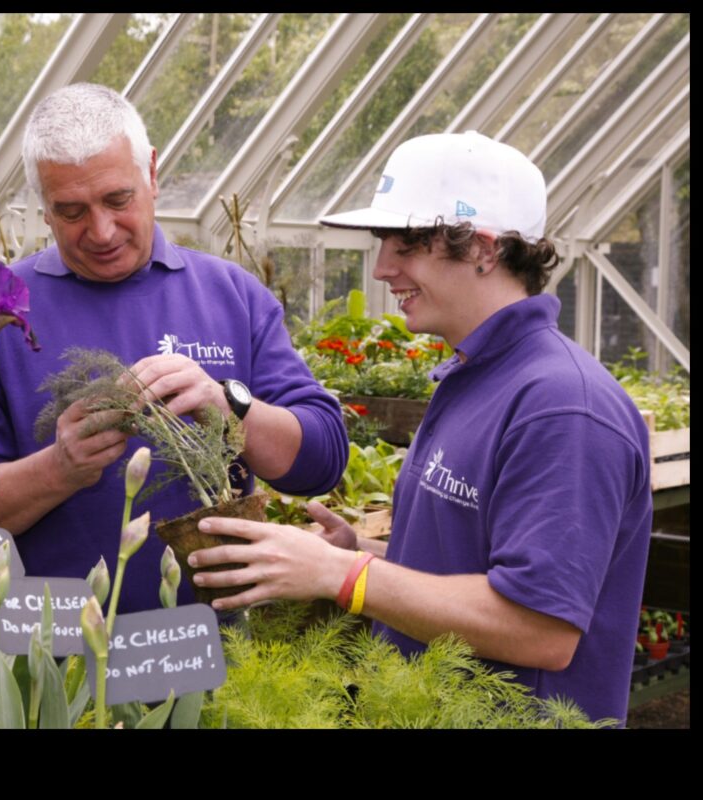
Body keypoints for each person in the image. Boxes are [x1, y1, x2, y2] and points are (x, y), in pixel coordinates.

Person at [189, 131, 652, 724]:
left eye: (406, 245)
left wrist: (344, 576)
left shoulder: (563, 408)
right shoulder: (476, 374)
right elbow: (475, 560)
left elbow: (539, 629)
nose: (383, 268)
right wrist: (366, 552)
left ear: (483, 249)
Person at [0, 83, 347, 614]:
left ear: (151, 172)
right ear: (43, 207)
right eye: (71, 211)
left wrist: (228, 408)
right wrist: (58, 468)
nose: (101, 231)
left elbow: (322, 460)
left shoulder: (232, 296)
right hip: (51, 648)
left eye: (117, 199)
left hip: (208, 642)